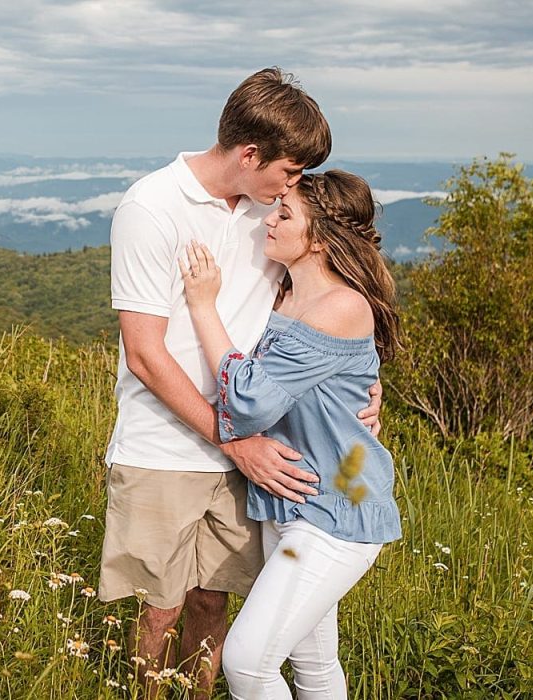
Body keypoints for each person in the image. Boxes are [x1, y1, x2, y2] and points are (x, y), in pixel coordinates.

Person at [98, 68, 382, 697]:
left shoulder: (276, 215)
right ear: (250, 155)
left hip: (257, 452)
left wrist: (362, 381)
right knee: (160, 610)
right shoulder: (152, 208)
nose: (295, 185)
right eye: (288, 171)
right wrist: (235, 441)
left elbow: (329, 297)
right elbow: (144, 355)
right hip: (167, 448)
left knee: (214, 603)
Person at [181, 170, 402, 699]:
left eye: (284, 213)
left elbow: (251, 400)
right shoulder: (286, 294)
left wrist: (203, 306)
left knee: (248, 662)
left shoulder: (342, 306)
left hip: (334, 513)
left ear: (320, 238)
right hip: (288, 503)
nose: (270, 220)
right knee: (315, 664)